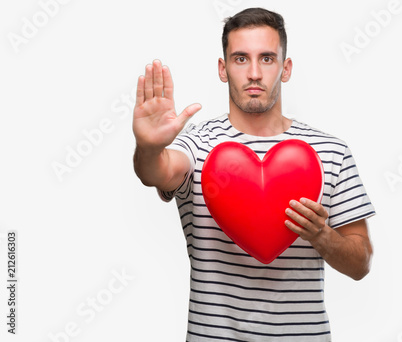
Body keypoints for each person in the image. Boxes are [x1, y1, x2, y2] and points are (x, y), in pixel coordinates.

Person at [133, 7, 375, 341]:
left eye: (267, 59)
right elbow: (158, 171)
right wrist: (147, 147)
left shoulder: (330, 152)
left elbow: (361, 264)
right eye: (241, 59)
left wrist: (323, 235)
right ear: (223, 68)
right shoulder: (199, 145)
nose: (254, 74)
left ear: (285, 69)